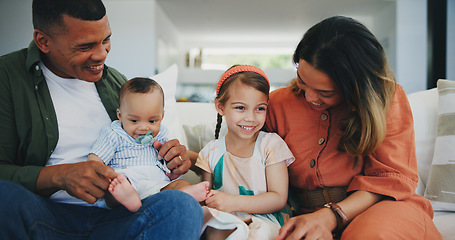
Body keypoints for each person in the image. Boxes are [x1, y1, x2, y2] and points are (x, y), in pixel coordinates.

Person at [0, 0, 203, 239]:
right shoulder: (7, 78)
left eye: (106, 40)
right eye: (85, 46)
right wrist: (58, 176)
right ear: (43, 41)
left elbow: (146, 144)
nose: (101, 54)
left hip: (119, 212)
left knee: (182, 206)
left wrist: (176, 157)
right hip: (45, 214)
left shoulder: (116, 83)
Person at [265, 16, 441, 240]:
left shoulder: (387, 98)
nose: (309, 97)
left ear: (357, 87)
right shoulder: (275, 104)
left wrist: (331, 216)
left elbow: (391, 179)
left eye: (325, 93)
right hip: (306, 215)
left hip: (384, 208)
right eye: (301, 80)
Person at [195, 65, 295, 239]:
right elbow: (207, 196)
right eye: (240, 108)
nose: (251, 117)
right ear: (220, 107)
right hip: (226, 219)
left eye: (260, 108)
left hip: (265, 220)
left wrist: (234, 202)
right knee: (214, 231)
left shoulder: (271, 145)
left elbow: (279, 198)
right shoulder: (210, 151)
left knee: (258, 234)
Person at [88, 77, 209, 212]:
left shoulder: (161, 135)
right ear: (120, 115)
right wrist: (101, 175)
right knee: (113, 190)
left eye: (152, 121)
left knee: (181, 184)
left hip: (157, 185)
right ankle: (129, 200)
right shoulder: (114, 133)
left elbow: (169, 160)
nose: (144, 128)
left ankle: (186, 195)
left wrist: (171, 170)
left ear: (162, 116)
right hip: (127, 180)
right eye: (134, 120)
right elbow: (95, 159)